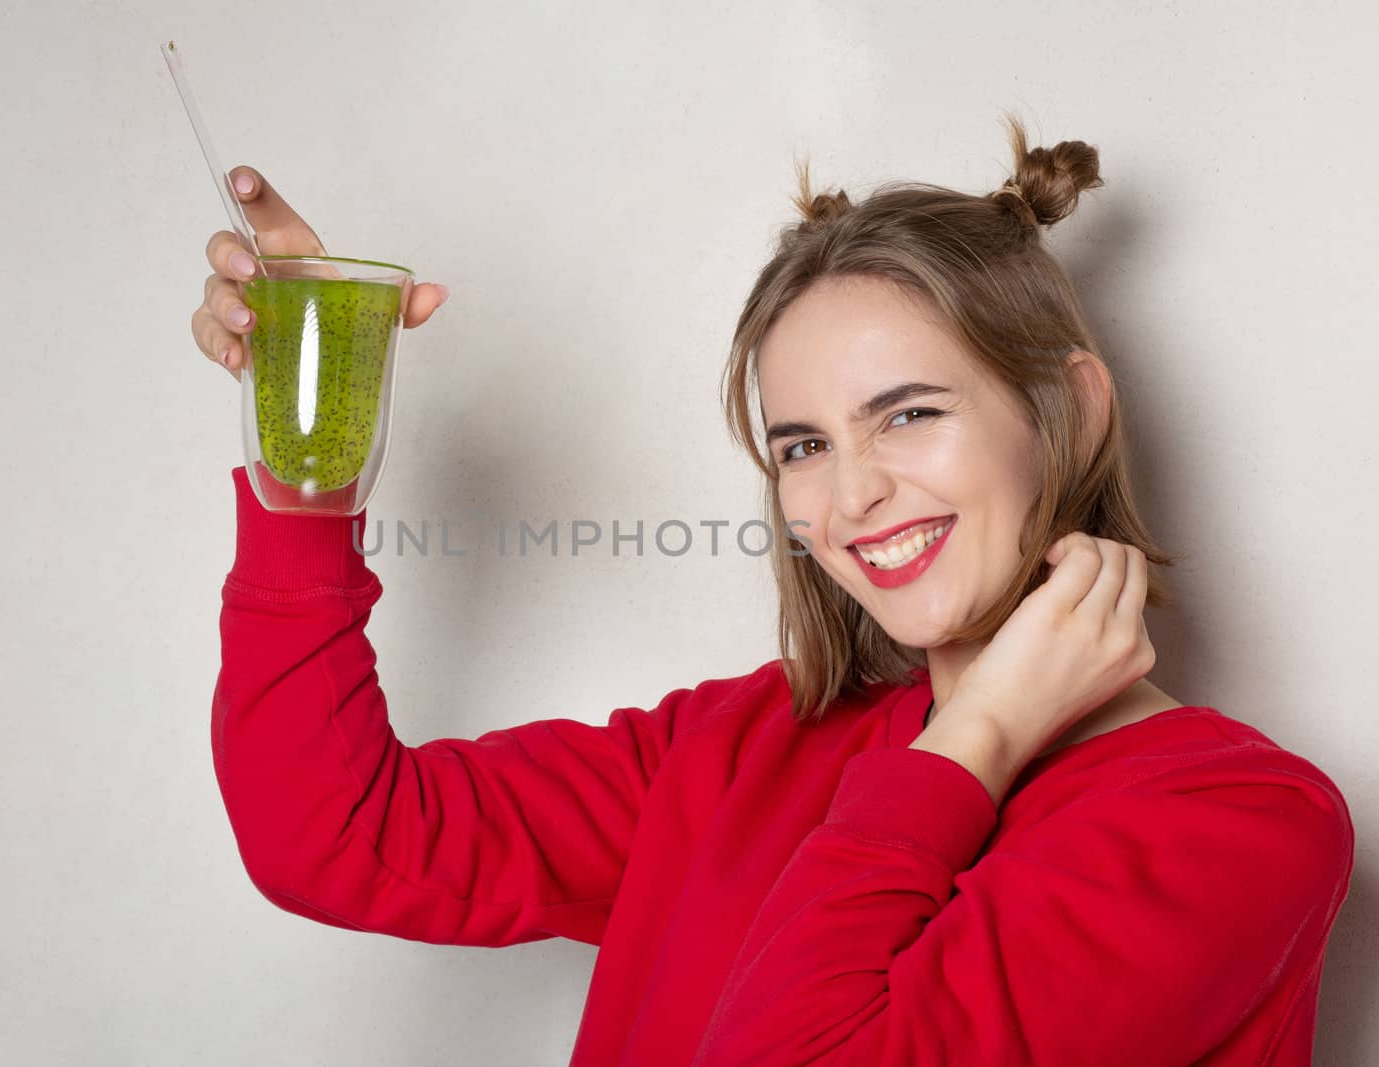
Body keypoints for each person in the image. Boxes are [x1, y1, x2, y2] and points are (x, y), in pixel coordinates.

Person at [193, 114, 1355, 1065]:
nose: (852, 498)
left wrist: (980, 732)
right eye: (801, 445)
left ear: (1073, 408)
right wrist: (310, 427)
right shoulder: (740, 747)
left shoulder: (1236, 825)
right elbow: (336, 835)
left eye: (908, 413)